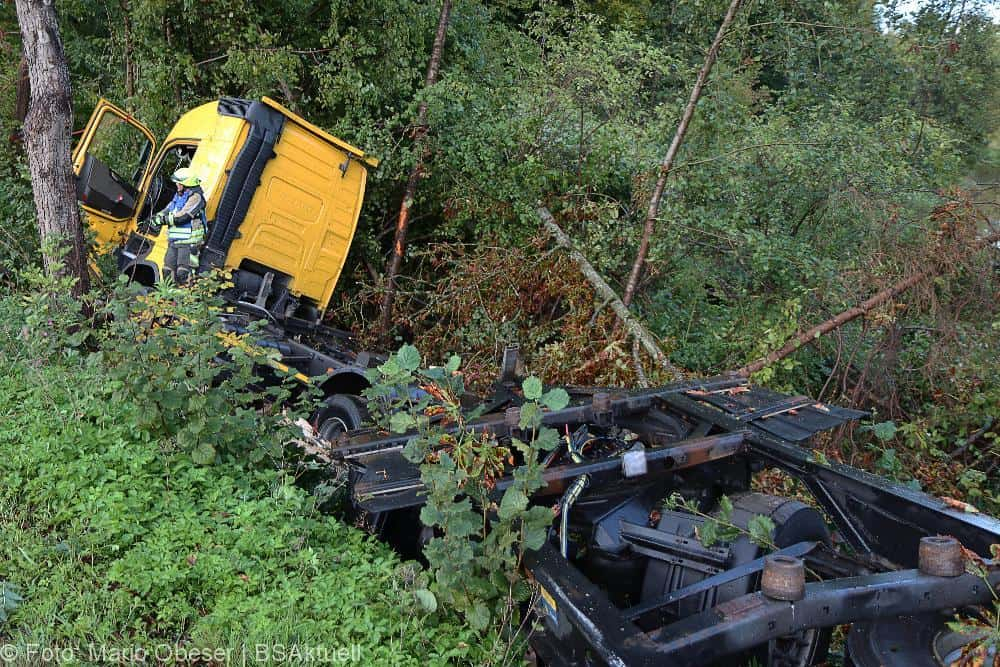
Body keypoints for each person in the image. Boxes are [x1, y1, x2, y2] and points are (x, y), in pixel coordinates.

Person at [152, 167, 207, 283]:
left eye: (179, 182)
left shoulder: (196, 198)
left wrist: (162, 220)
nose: (176, 184)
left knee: (183, 273)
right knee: (167, 271)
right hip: (175, 241)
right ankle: (169, 299)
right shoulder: (180, 195)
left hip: (189, 243)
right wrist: (154, 218)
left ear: (186, 183)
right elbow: (169, 209)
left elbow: (182, 217)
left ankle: (183, 300)